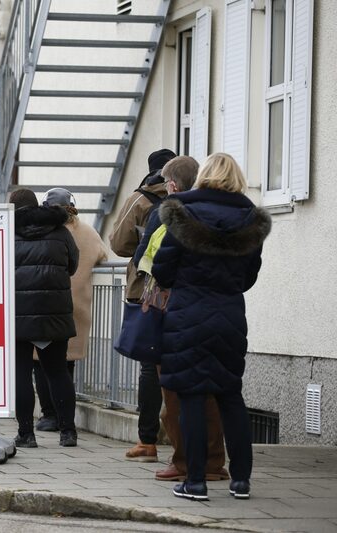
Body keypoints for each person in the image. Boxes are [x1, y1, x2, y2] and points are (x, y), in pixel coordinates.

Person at [151, 153, 270, 501]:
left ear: (204, 175)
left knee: (191, 396)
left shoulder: (181, 212)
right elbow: (249, 277)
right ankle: (241, 481)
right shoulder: (249, 219)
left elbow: (162, 270)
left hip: (187, 315)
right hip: (230, 315)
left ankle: (195, 482)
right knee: (230, 395)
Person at [132, 156, 230, 483]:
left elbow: (149, 262)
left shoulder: (171, 214)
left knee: (175, 391)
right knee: (211, 392)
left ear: (172, 185)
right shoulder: (219, 215)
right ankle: (214, 462)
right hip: (219, 314)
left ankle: (184, 461)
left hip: (175, 312)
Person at [109, 148, 176, 463]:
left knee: (150, 363)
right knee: (180, 361)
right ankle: (181, 436)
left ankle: (147, 441)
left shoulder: (140, 199)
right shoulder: (189, 197)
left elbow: (118, 243)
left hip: (146, 289)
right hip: (182, 291)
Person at [33, 188, 107, 432]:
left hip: (43, 305)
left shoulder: (40, 230)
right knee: (65, 366)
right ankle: (65, 417)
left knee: (40, 363)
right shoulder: (88, 232)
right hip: (76, 308)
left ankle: (49, 415)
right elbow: (104, 255)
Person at [11, 187, 79, 448]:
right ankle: (68, 432)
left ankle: (26, 434)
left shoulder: (7, 232)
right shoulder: (60, 231)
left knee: (21, 374)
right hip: (54, 312)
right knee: (58, 371)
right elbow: (72, 265)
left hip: (18, 314)